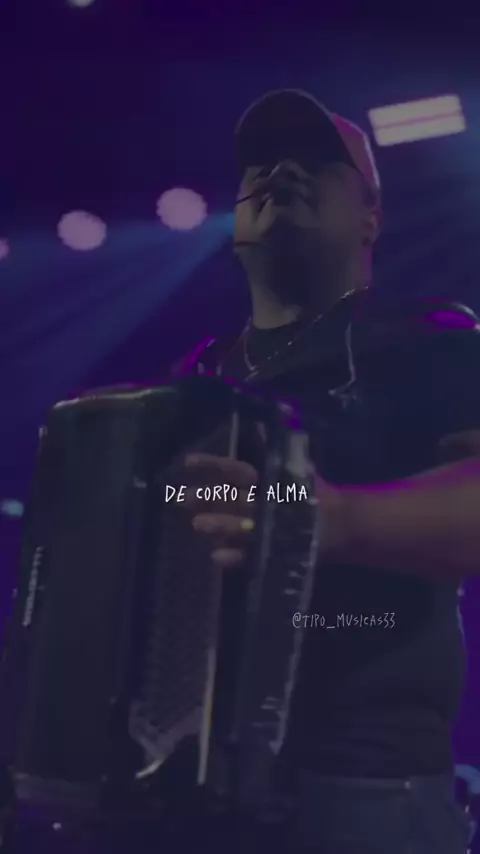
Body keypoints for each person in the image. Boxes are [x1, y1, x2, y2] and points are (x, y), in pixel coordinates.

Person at [178, 90, 480, 852]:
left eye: (317, 160)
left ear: (371, 216)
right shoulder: (190, 380)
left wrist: (325, 518)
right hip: (175, 787)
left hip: (362, 790)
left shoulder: (432, 340)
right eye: (260, 162)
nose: (281, 170)